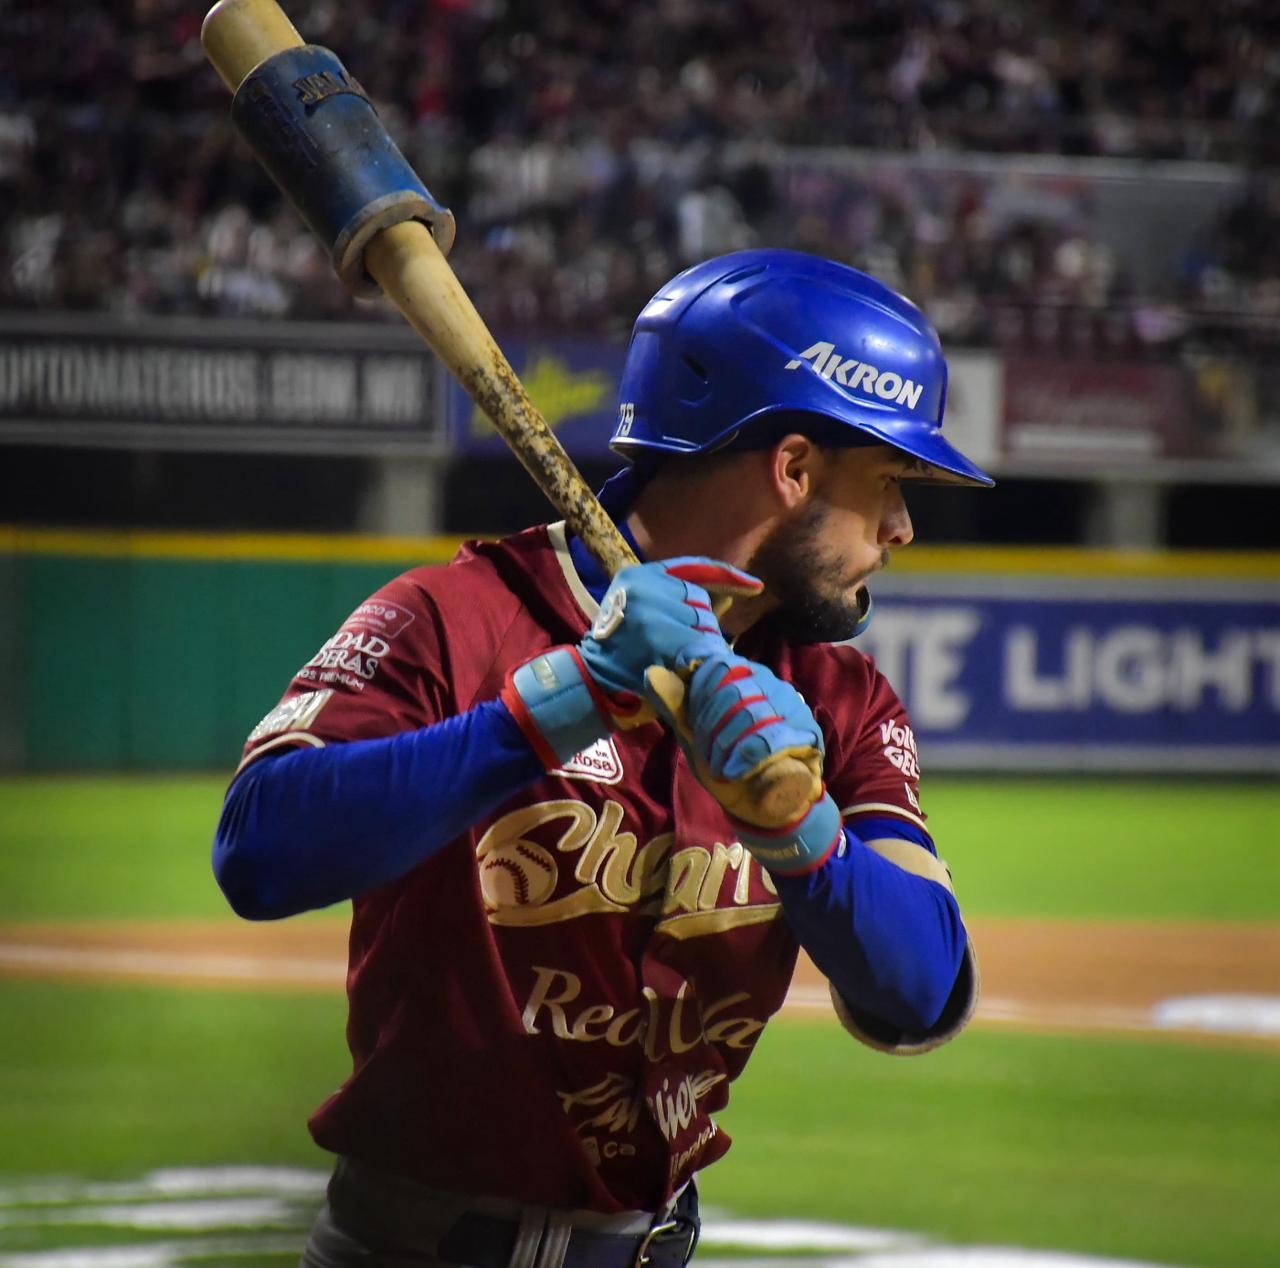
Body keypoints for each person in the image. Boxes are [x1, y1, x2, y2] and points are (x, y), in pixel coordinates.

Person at [213, 248, 993, 1268]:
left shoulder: (836, 703)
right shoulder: (454, 617)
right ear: (792, 468)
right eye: (887, 480)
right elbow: (260, 849)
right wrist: (545, 711)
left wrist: (805, 837)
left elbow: (921, 992)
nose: (901, 526)